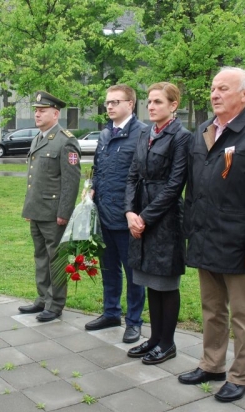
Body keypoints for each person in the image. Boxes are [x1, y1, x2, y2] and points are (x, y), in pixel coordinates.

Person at [178, 67, 245, 402]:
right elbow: (193, 189)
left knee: (243, 315)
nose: (215, 94)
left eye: (223, 88)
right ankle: (212, 364)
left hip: (240, 244)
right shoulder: (205, 131)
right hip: (206, 238)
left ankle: (241, 375)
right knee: (212, 309)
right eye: (213, 88)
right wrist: (190, 232)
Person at [124, 82, 191, 364]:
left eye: (158, 102)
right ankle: (153, 338)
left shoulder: (181, 137)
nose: (151, 107)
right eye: (149, 102)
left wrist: (146, 217)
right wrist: (130, 212)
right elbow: (132, 176)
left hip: (164, 220)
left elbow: (176, 184)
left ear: (173, 105)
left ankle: (167, 343)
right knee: (150, 280)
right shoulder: (144, 133)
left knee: (166, 282)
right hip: (139, 215)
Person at [84, 84, 148, 343]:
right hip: (104, 214)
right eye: (107, 102)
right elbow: (98, 169)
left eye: (115, 102)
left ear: (130, 104)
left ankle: (134, 321)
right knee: (108, 268)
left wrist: (135, 212)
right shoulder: (104, 134)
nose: (109, 106)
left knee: (133, 273)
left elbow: (143, 177)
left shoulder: (142, 134)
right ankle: (111, 312)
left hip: (128, 217)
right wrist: (90, 190)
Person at [19, 91, 81, 322]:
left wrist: (64, 213)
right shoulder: (38, 138)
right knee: (40, 257)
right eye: (36, 110)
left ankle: (55, 304)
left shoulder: (66, 141)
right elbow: (34, 178)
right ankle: (43, 298)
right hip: (37, 211)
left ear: (55, 114)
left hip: (54, 213)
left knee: (55, 259)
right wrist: (30, 209)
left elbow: (71, 181)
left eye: (42, 110)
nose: (37, 113)